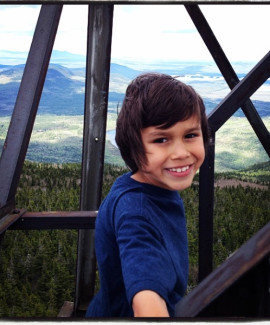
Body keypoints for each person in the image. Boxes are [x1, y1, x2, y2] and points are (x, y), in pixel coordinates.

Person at [85, 73, 209, 317]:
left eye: (190, 135)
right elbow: (146, 298)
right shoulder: (136, 213)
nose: (181, 153)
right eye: (161, 139)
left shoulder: (146, 187)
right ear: (133, 147)